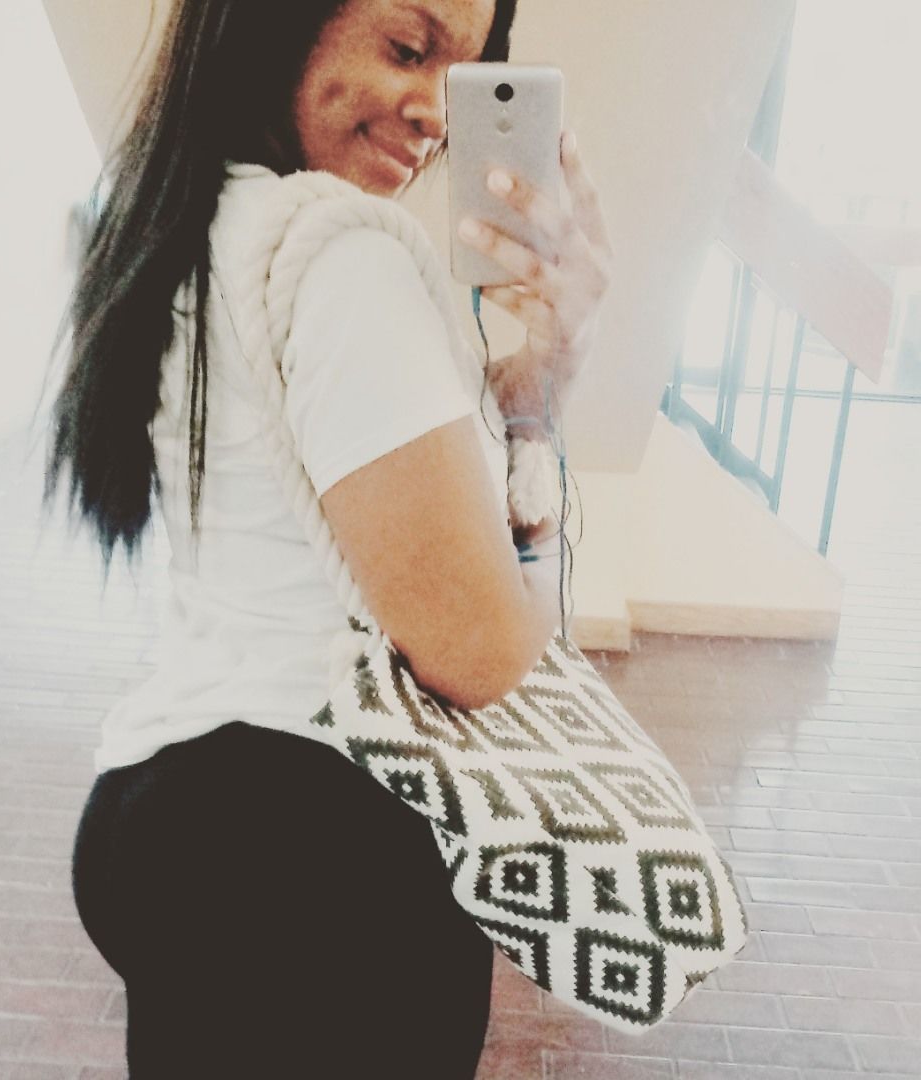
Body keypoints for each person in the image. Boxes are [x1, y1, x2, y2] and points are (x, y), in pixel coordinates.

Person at [46, 0, 612, 1075]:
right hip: (314, 870)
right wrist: (538, 450)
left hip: (171, 802)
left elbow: (342, 459)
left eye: (465, 70)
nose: (435, 111)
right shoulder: (348, 259)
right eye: (408, 48)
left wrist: (545, 366)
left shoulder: (180, 219)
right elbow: (486, 653)